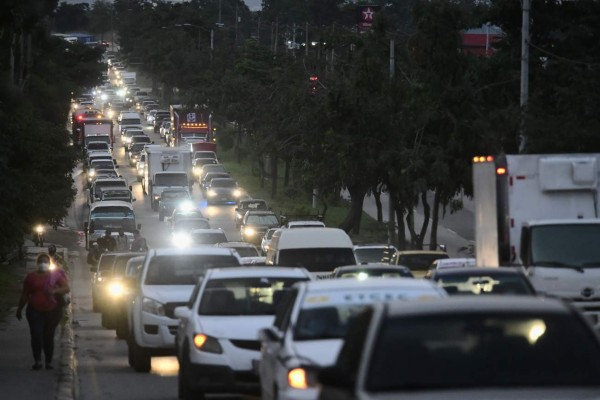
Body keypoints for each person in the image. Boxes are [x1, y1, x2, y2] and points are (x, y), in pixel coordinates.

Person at [16, 253, 70, 370]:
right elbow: (25, 294)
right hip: (34, 311)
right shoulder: (31, 277)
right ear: (37, 264)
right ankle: (37, 361)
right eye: (41, 261)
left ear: (49, 264)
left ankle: (49, 361)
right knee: (36, 335)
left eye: (45, 261)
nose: (43, 264)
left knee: (48, 336)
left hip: (52, 311)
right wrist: (19, 309)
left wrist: (55, 291)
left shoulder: (55, 276)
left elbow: (66, 288)